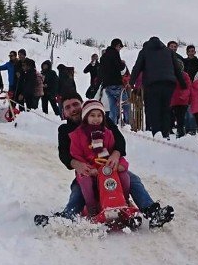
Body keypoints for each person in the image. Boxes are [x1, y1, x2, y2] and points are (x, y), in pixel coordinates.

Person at [58, 92, 174, 226]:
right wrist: (76, 164)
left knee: (133, 180)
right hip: (87, 171)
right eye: (68, 107)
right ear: (64, 113)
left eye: (75, 104)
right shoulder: (66, 130)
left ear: (82, 105)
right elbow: (64, 153)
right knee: (78, 189)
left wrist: (116, 154)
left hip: (108, 168)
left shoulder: (102, 120)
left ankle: (151, 211)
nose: (73, 109)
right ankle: (66, 217)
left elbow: (118, 139)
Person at [69, 100, 130, 216]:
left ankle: (124, 201)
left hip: (106, 169)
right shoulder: (77, 135)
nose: (96, 119)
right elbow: (77, 155)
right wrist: (89, 169)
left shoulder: (107, 133)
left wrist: (120, 164)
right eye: (92, 115)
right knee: (86, 182)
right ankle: (92, 208)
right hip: (88, 170)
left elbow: (113, 153)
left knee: (124, 176)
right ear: (85, 117)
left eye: (99, 115)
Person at [130, 36, 186, 139]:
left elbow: (137, 67)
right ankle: (165, 133)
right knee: (166, 108)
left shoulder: (145, 51)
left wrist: (131, 82)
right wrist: (183, 84)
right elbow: (177, 68)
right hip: (169, 84)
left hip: (152, 84)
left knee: (153, 109)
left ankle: (156, 134)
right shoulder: (169, 51)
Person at [99, 38, 127, 123]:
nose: (119, 49)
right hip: (116, 83)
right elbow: (120, 67)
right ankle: (128, 123)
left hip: (107, 85)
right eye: (120, 47)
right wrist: (122, 63)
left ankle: (112, 125)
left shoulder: (103, 57)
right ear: (117, 45)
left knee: (113, 107)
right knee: (126, 103)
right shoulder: (115, 53)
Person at [183, 45, 198, 135]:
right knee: (185, 108)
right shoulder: (184, 62)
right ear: (187, 52)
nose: (191, 52)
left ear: (195, 52)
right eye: (190, 51)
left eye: (193, 51)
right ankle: (187, 127)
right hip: (185, 87)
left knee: (193, 108)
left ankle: (192, 128)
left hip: (195, 87)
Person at [170, 68, 192, 138]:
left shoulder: (171, 75)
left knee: (175, 115)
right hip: (183, 100)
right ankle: (180, 131)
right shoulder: (185, 75)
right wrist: (185, 97)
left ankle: (174, 130)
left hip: (174, 99)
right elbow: (188, 87)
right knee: (181, 117)